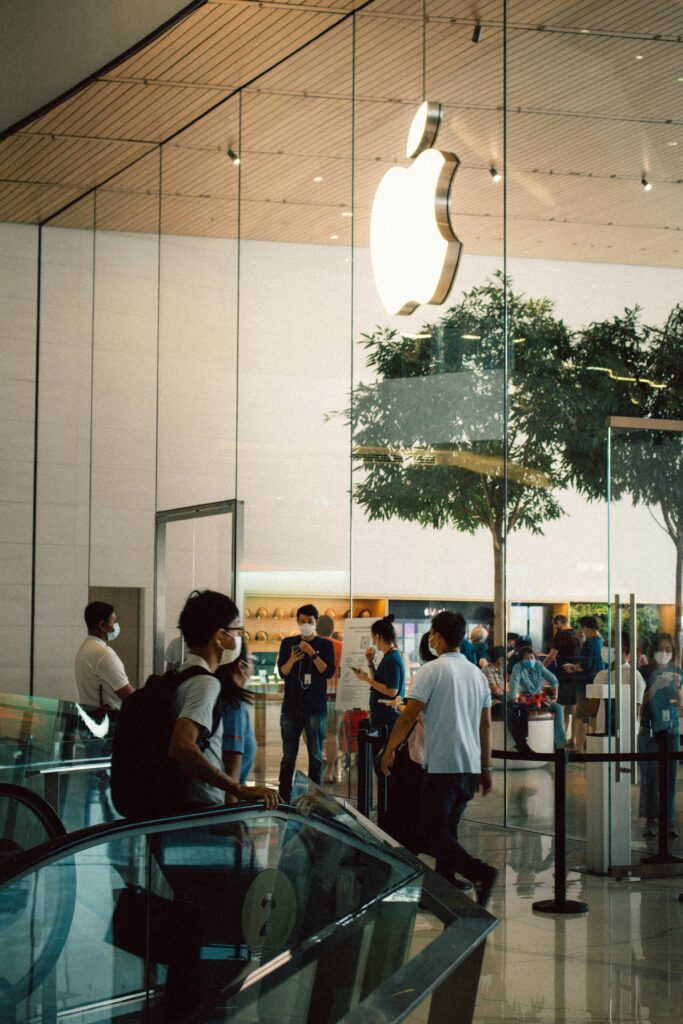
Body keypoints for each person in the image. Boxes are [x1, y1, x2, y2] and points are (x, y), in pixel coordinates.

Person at [379, 611, 497, 906]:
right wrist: (486, 768)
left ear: (439, 637)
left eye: (432, 632)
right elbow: (486, 725)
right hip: (468, 767)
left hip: (443, 766)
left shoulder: (432, 670)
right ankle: (445, 886)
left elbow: (408, 716)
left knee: (433, 832)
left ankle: (479, 872)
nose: (430, 638)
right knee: (445, 829)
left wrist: (389, 749)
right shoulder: (476, 674)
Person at [168, 590, 278, 810]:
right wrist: (236, 789)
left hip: (179, 799)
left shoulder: (180, 675)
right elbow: (181, 745)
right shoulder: (206, 683)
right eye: (236, 631)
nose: (238, 638)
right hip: (198, 806)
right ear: (219, 637)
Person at [277, 604, 335, 801]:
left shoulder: (326, 645)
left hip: (315, 708)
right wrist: (293, 659)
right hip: (291, 708)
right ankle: (283, 796)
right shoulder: (287, 643)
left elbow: (328, 672)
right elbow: (282, 673)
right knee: (288, 757)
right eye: (302, 621)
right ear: (297, 622)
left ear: (316, 622)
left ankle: (314, 797)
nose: (306, 625)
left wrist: (313, 653)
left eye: (310, 621)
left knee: (316, 756)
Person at [638, 632, 681, 837]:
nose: (664, 654)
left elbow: (681, 705)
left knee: (669, 775)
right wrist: (655, 687)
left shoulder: (677, 671)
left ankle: (669, 819)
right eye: (660, 649)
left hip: (671, 728)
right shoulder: (644, 672)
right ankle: (650, 820)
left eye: (668, 650)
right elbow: (639, 702)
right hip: (649, 728)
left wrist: (678, 693)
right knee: (649, 776)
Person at [215, 638, 257, 802]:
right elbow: (231, 775)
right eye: (250, 662)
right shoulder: (234, 707)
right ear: (241, 666)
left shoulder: (218, 697)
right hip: (220, 804)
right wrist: (230, 821)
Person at [351, 613, 405, 736]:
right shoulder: (389, 656)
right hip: (382, 718)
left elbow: (392, 691)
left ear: (377, 636)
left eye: (372, 636)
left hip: (388, 719)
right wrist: (370, 663)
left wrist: (366, 679)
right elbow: (380, 682)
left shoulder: (393, 658)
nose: (372, 640)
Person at [75, 601, 134, 711]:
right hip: (109, 720)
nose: (116, 625)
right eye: (113, 621)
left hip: (93, 716)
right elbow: (128, 695)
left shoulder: (87, 647)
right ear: (102, 625)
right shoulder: (103, 653)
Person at [509, 647, 567, 751]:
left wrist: (555, 697)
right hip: (525, 698)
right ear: (521, 659)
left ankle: (560, 742)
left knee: (557, 708)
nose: (530, 660)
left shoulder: (538, 665)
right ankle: (524, 739)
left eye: (532, 657)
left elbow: (553, 680)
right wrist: (513, 698)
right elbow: (514, 685)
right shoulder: (517, 668)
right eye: (527, 658)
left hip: (540, 698)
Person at [563, 615, 605, 751]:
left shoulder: (590, 643)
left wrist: (571, 667)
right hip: (597, 684)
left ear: (587, 627)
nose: (582, 631)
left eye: (583, 628)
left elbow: (584, 665)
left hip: (585, 684)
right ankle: (587, 746)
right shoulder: (601, 642)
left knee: (581, 717)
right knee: (591, 716)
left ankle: (578, 747)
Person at [543, 614, 581, 735]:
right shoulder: (576, 635)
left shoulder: (561, 635)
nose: (555, 627)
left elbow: (552, 655)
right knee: (573, 707)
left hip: (564, 673)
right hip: (575, 673)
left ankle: (561, 736)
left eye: (555, 624)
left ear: (559, 622)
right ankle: (572, 737)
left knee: (560, 706)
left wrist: (541, 667)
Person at [317, 614, 344, 784]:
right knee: (332, 734)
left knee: (313, 734)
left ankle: (321, 762)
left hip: (316, 696)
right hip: (336, 696)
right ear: (332, 629)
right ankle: (330, 770)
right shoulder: (341, 646)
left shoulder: (314, 645)